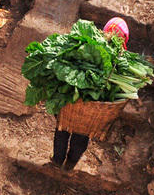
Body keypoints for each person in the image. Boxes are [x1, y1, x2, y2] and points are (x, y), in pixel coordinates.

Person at [51, 17, 131, 169]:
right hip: (92, 114)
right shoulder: (122, 61)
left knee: (62, 131)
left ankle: (57, 162)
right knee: (80, 137)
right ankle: (69, 164)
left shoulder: (90, 45)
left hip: (72, 103)